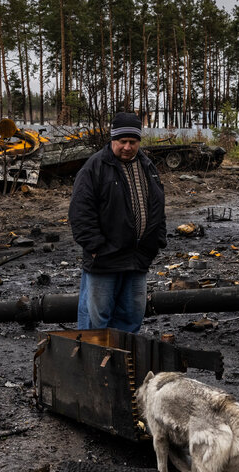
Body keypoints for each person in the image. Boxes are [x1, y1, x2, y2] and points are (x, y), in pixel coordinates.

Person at [69, 112, 166, 333]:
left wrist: (157, 241)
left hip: (138, 258)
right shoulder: (95, 167)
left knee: (131, 315)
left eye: (133, 142)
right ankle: (94, 362)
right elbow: (80, 212)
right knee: (97, 318)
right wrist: (95, 247)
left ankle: (122, 361)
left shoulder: (147, 167)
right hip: (105, 258)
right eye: (122, 141)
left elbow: (158, 206)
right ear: (113, 140)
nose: (127, 147)